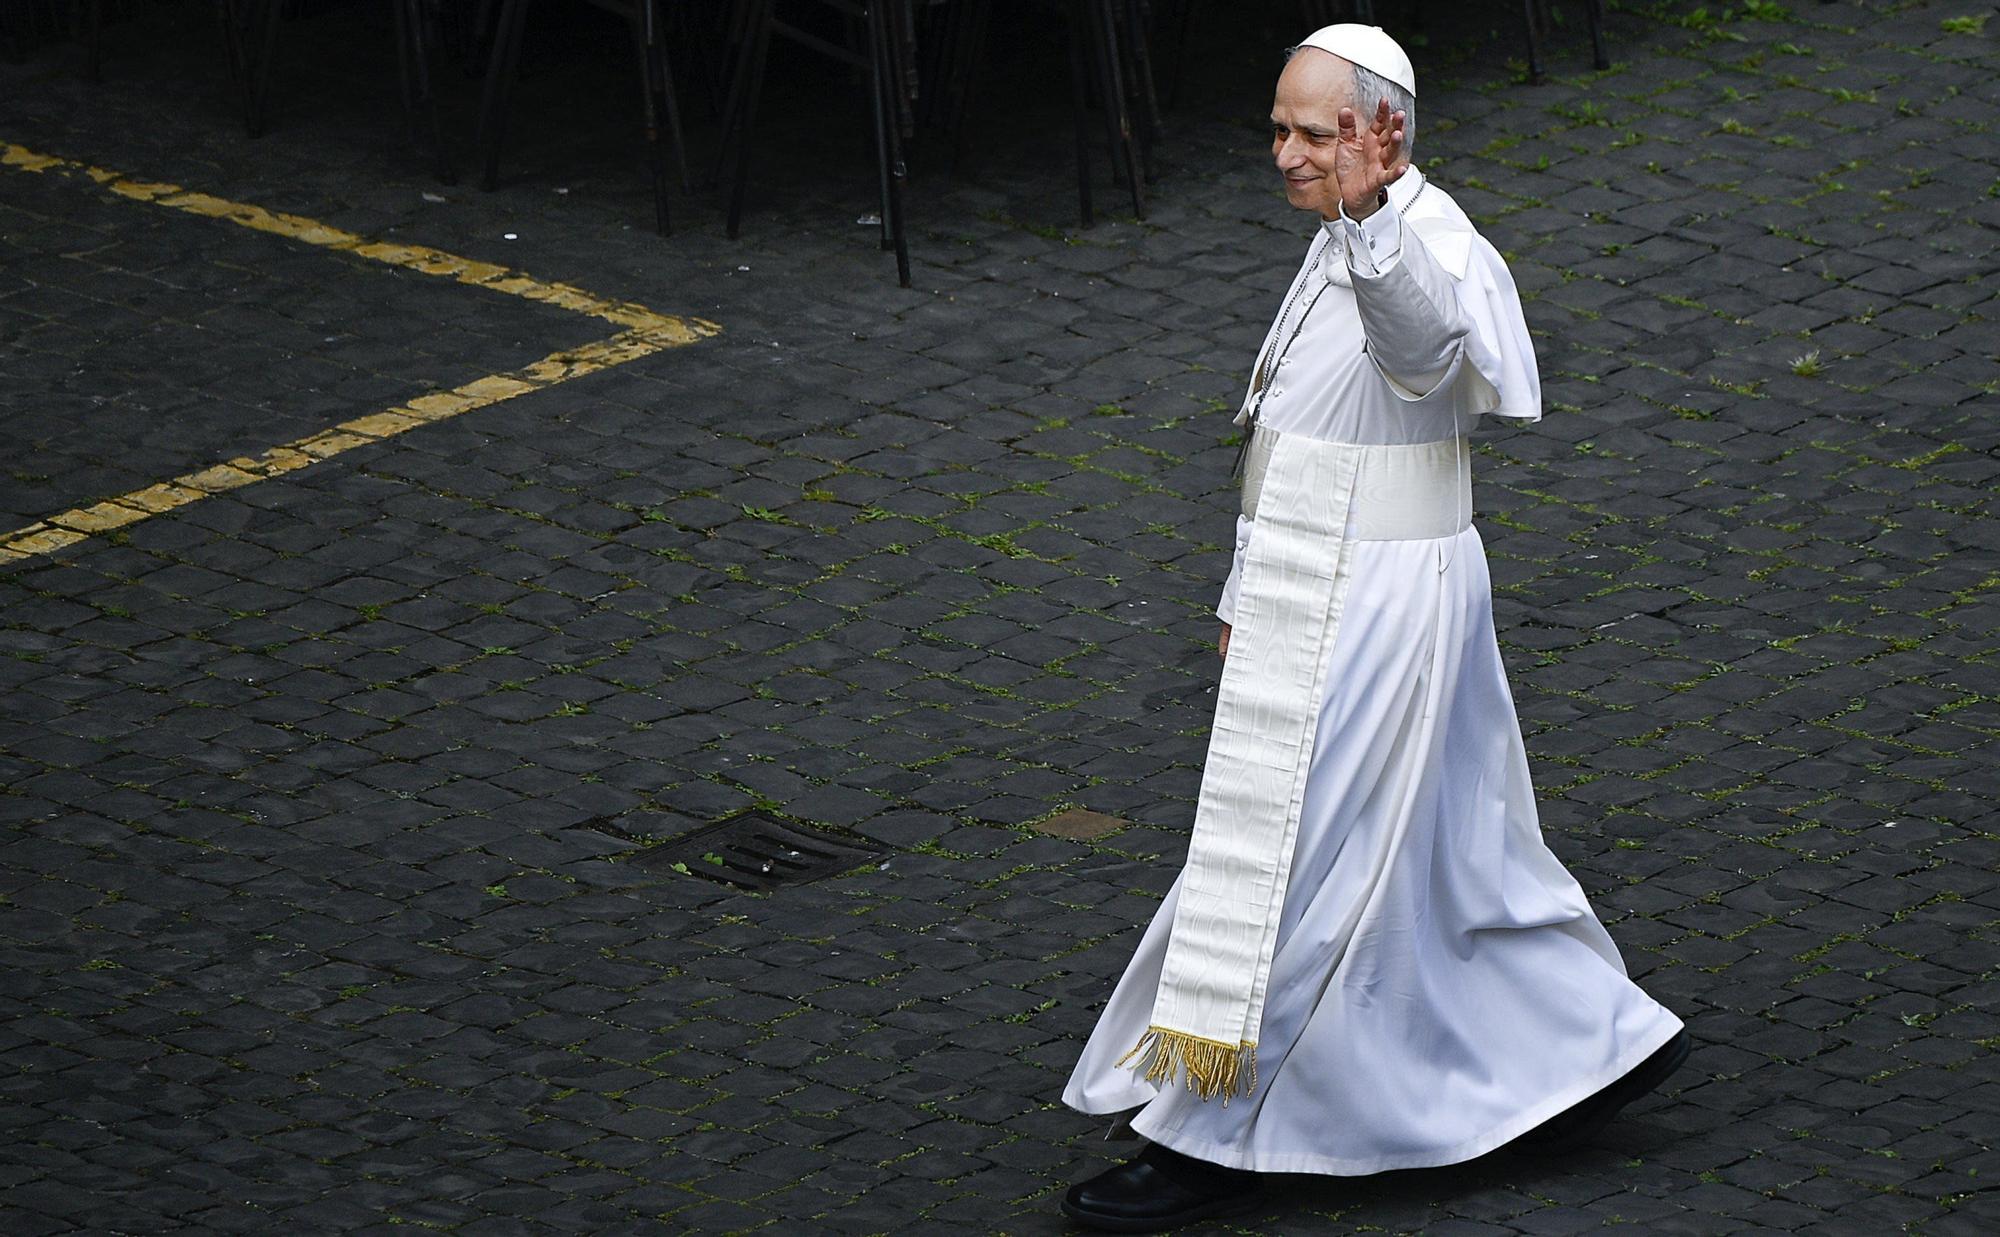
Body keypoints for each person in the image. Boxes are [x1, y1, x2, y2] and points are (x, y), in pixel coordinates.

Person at [1058, 24, 1692, 1233]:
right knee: (1447, 854)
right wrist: (1241, 604)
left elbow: (1418, 352)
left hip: (1378, 596)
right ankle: (1591, 1042)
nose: (1287, 156)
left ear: (1381, 132)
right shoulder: (1338, 230)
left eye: (1312, 133)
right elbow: (1290, 446)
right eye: (1279, 131)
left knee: (1293, 860)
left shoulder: (1420, 241)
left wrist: (1365, 222)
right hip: (1312, 576)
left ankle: (1201, 1133)